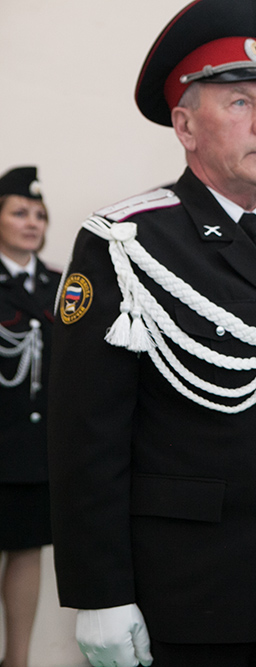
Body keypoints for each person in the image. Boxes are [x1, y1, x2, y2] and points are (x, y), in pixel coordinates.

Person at [47, 2, 256, 666]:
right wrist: (100, 592)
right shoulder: (130, 242)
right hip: (184, 594)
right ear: (184, 125)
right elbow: (85, 434)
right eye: (240, 101)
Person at [0, 166, 60, 667]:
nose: (32, 222)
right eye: (19, 212)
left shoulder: (61, 286)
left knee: (26, 551)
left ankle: (16, 660)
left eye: (39, 215)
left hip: (33, 451)